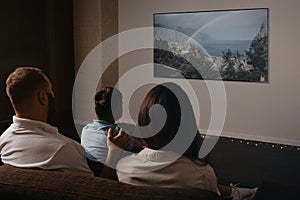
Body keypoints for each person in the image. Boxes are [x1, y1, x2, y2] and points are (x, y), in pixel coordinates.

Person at [114, 82, 257, 200]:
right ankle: (239, 193)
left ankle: (237, 192)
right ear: (185, 124)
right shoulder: (202, 175)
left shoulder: (124, 169)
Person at [0, 67, 129, 176]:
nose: (53, 95)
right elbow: (98, 188)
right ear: (43, 97)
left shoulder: (4, 141)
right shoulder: (64, 149)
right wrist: (114, 151)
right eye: (51, 90)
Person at [81, 87, 143, 176]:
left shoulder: (86, 130)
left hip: (90, 175)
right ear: (118, 110)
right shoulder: (117, 135)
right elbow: (141, 149)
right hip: (111, 177)